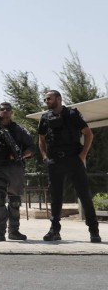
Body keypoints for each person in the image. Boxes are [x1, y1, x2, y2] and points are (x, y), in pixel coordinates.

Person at [38, 90, 101, 243]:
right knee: (56, 197)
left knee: (84, 195)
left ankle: (94, 231)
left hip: (73, 159)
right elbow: (41, 139)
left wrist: (82, 156)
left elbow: (88, 134)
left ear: (59, 99)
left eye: (49, 98)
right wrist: (45, 157)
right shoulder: (45, 117)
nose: (46, 101)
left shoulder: (72, 114)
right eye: (45, 99)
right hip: (54, 161)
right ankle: (54, 230)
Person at [0, 102, 34, 242]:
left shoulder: (19, 130)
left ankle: (14, 231)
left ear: (12, 112)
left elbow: (31, 148)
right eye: (2, 109)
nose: (4, 111)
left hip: (15, 167)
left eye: (7, 109)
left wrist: (20, 155)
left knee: (15, 201)